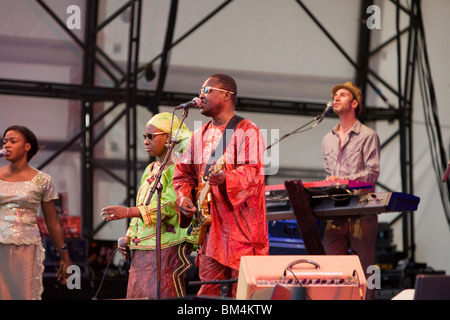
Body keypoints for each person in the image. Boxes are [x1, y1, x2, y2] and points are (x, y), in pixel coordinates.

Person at [173, 74, 269, 298]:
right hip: (210, 234)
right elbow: (182, 175)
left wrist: (227, 179)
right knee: (209, 294)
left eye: (207, 90)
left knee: (244, 294)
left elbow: (254, 173)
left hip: (242, 233)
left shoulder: (247, 129)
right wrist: (184, 198)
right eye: (200, 90)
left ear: (226, 95)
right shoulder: (198, 135)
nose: (200, 95)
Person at [101, 112, 196, 299]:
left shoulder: (178, 168)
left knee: (163, 292)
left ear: (169, 138)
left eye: (151, 136)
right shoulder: (150, 169)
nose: (145, 141)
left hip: (168, 244)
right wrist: (128, 237)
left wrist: (128, 212)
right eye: (145, 136)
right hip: (142, 246)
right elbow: (143, 204)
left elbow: (169, 205)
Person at [321, 81, 381, 299]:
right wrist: (330, 182)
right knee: (331, 267)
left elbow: (372, 172)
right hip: (334, 211)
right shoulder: (327, 139)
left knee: (366, 269)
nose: (336, 98)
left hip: (361, 209)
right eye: (334, 94)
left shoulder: (368, 135)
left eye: (342, 94)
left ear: (354, 103)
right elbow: (329, 173)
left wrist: (343, 180)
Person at [0, 125, 71, 300]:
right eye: (5, 142)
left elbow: (53, 223)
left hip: (26, 248)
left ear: (27, 146)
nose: (7, 145)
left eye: (12, 141)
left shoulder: (43, 180)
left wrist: (65, 257)